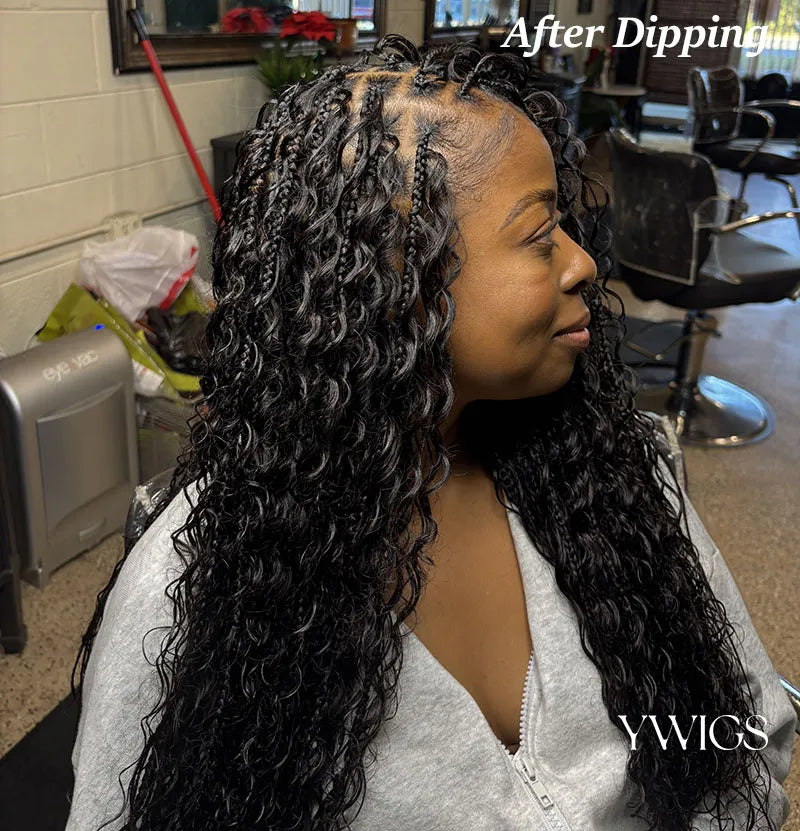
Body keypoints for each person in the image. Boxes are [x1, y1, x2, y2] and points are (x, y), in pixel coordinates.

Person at [66, 34, 796, 831]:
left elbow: (744, 736)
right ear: (397, 280)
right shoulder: (198, 584)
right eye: (539, 234)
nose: (584, 263)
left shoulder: (623, 475)